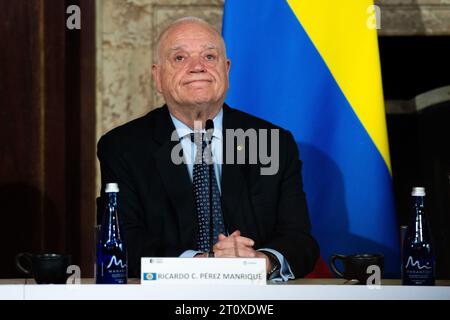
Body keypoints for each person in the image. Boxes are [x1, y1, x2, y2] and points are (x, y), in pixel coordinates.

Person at [97, 17, 319, 280]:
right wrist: (201, 264)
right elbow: (122, 240)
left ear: (226, 70)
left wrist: (262, 260)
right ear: (157, 77)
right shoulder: (123, 147)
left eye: (209, 56)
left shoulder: (273, 141)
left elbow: (300, 240)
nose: (197, 67)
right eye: (179, 58)